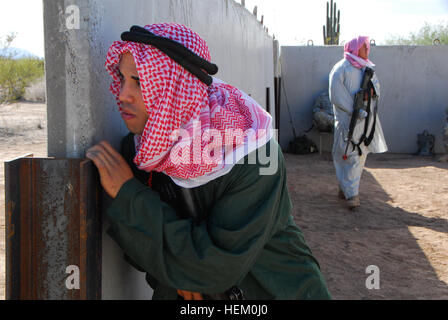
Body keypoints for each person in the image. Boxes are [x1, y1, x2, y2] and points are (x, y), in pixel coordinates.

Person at [86, 23, 331, 300]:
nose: (122, 95)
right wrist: (182, 273)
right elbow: (139, 253)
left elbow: (214, 268)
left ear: (177, 87)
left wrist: (129, 195)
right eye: (122, 79)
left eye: (140, 82)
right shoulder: (139, 151)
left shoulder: (253, 154)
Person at [329, 36, 388, 209]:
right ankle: (345, 187)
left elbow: (376, 91)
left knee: (358, 157)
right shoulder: (341, 69)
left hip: (364, 124)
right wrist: (354, 110)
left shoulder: (368, 69)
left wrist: (368, 100)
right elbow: (337, 95)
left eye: (367, 46)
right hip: (347, 121)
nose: (367, 49)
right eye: (363, 46)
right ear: (354, 48)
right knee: (342, 155)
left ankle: (351, 194)